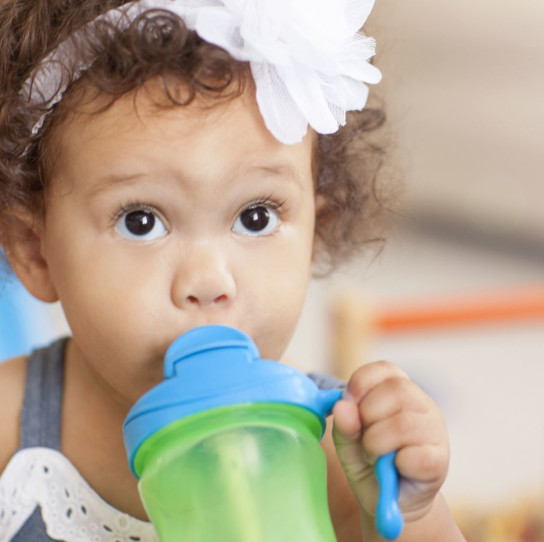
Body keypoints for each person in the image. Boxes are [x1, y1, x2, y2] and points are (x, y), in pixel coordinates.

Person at [0, 0, 465, 540]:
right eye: (141, 221)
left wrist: (413, 514)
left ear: (316, 227)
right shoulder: (13, 426)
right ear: (35, 250)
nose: (208, 282)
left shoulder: (336, 444)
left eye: (255, 216)